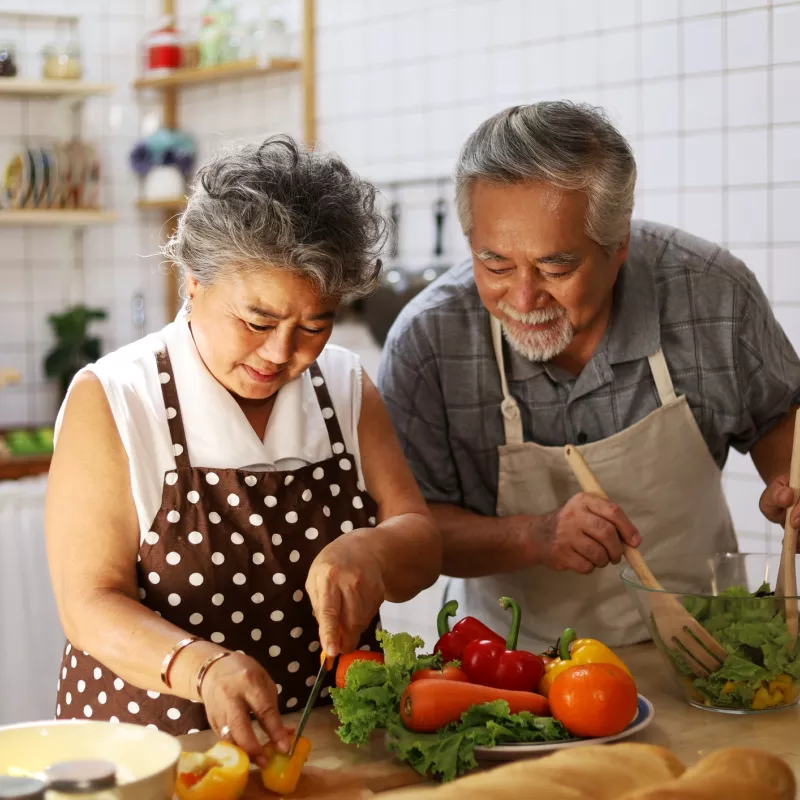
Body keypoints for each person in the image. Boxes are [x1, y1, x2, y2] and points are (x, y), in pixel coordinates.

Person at [46, 135, 441, 763]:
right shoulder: (117, 398)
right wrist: (202, 667)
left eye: (315, 324)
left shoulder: (343, 385)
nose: (283, 352)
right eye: (257, 321)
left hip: (324, 750)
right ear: (194, 281)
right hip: (154, 756)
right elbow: (88, 603)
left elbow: (421, 543)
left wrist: (373, 548)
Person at [378, 102, 800, 655]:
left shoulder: (710, 293)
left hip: (706, 653)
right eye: (496, 265)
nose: (524, 299)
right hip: (514, 670)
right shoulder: (428, 342)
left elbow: (777, 414)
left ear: (618, 242)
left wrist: (789, 482)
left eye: (556, 267)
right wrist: (533, 536)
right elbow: (413, 534)